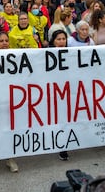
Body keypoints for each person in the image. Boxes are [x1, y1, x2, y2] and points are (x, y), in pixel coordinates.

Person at [0, 31, 19, 171]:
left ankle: (10, 157)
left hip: (11, 99)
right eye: (1, 41)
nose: (4, 44)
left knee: (10, 127)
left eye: (6, 40)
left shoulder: (16, 56)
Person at [48, 30, 70, 161]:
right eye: (58, 39)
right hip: (51, 93)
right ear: (53, 41)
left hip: (66, 93)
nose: (62, 42)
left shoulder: (73, 54)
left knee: (64, 120)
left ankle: (63, 146)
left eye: (63, 39)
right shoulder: (45, 54)